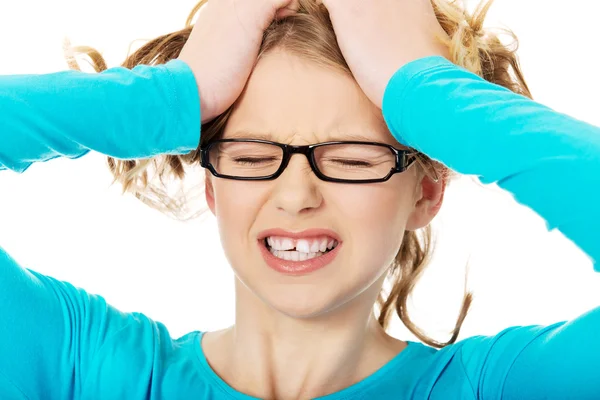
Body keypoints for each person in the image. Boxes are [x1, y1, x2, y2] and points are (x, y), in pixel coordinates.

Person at [1, 0, 599, 398]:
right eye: (254, 156)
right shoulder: (92, 370)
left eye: (351, 158)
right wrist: (172, 95)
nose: (295, 195)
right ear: (212, 183)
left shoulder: (499, 388)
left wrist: (424, 90)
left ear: (427, 188)